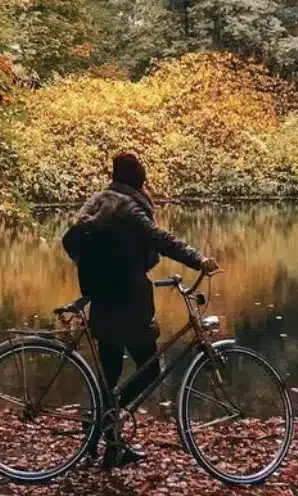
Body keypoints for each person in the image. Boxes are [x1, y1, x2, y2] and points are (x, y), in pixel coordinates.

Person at [63, 152, 219, 469]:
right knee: (149, 370)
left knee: (109, 374)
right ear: (139, 179)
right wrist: (198, 259)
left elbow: (73, 241)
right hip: (129, 298)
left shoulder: (98, 202)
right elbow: (160, 239)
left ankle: (107, 440)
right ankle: (105, 421)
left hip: (101, 295)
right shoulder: (129, 209)